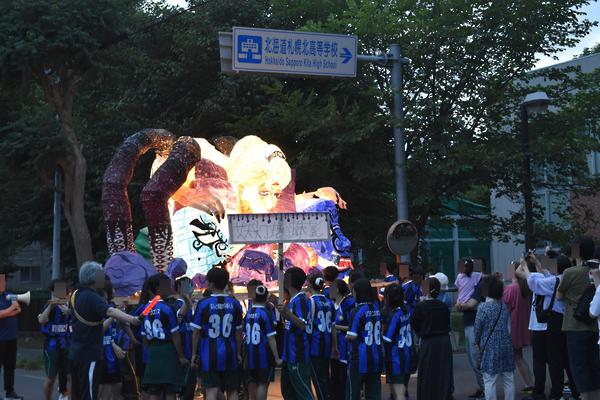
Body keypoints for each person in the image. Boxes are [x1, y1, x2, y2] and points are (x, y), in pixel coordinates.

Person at [69, 261, 141, 400]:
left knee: (78, 393)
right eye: (101, 275)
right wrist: (132, 319)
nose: (103, 278)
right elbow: (110, 311)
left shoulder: (76, 294)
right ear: (93, 277)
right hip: (89, 353)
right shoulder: (92, 296)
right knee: (89, 394)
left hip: (76, 352)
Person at [517, 254, 578, 400]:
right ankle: (575, 391)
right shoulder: (566, 278)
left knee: (554, 360)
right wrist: (537, 262)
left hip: (554, 321)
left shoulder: (553, 281)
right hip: (565, 320)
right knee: (566, 358)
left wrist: (524, 265)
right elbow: (547, 275)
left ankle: (556, 393)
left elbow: (534, 283)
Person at [556, 237, 600, 400]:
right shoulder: (597, 270)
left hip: (574, 325)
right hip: (595, 326)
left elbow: (559, 296)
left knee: (579, 368)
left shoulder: (570, 272)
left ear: (578, 251)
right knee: (594, 368)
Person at [191, 267, 243, 400]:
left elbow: (196, 332)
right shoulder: (235, 303)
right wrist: (238, 353)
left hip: (209, 353)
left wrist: (194, 353)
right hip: (230, 352)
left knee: (211, 389)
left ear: (211, 284)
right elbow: (238, 332)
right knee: (232, 390)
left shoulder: (204, 304)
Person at [140, 273, 187, 400]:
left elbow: (144, 336)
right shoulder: (167, 308)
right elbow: (175, 334)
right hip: (168, 351)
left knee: (154, 391)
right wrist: (181, 356)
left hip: (152, 352)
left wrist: (148, 352)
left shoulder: (145, 309)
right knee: (170, 391)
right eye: (167, 286)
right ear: (158, 289)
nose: (170, 288)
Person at [411, 277, 452, 400]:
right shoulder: (443, 306)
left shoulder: (420, 307)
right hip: (444, 342)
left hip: (428, 342)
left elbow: (415, 324)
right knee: (443, 373)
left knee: (427, 373)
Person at [277, 267, 314, 400]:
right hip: (288, 355)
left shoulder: (301, 300)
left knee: (303, 392)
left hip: (298, 354)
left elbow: (304, 325)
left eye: (285, 277)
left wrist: (287, 313)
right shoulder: (292, 301)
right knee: (288, 392)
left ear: (289, 280)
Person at [475, 276, 515, 400]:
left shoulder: (483, 307)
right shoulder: (503, 307)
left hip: (490, 347)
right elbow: (508, 327)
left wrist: (477, 342)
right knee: (508, 378)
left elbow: (477, 329)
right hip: (506, 345)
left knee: (489, 379)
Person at [345, 278, 383, 400]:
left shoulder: (356, 311)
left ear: (357, 292)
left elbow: (352, 336)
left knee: (353, 393)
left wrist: (345, 337)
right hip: (376, 356)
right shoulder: (376, 308)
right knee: (374, 393)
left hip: (359, 358)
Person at [244, 284, 282, 400]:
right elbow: (271, 338)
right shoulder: (266, 313)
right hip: (263, 354)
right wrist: (277, 357)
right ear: (266, 298)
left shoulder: (248, 313)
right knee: (262, 384)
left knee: (253, 381)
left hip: (250, 353)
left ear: (254, 297)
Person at [502, 262, 533, 393]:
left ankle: (529, 383)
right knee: (519, 356)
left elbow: (505, 303)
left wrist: (501, 286)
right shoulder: (526, 286)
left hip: (513, 324)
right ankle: (529, 383)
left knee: (517, 357)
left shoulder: (512, 288)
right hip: (524, 323)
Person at [38, 279, 70, 400]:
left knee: (68, 375)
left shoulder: (69, 306)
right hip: (51, 347)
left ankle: (65, 395)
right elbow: (42, 320)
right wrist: (51, 305)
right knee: (51, 379)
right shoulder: (48, 306)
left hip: (66, 345)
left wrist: (69, 311)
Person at [306, 273, 334, 400]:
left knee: (318, 379)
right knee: (325, 376)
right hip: (327, 343)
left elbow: (309, 326)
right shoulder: (329, 302)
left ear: (310, 285)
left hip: (315, 345)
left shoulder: (311, 302)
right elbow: (333, 325)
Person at [456, 278, 485, 399]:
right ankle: (482, 388)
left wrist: (461, 306)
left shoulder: (480, 283)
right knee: (473, 359)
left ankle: (485, 390)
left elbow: (473, 304)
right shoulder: (471, 282)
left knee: (476, 359)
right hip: (469, 324)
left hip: (474, 325)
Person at [383, 285, 412, 400]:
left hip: (396, 359)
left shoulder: (395, 314)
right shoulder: (406, 310)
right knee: (402, 390)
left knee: (399, 394)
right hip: (407, 354)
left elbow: (387, 339)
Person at [99, 279, 127, 400]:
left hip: (114, 353)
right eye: (113, 289)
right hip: (101, 354)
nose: (115, 291)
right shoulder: (97, 308)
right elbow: (100, 330)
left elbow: (121, 325)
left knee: (117, 386)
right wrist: (114, 315)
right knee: (102, 391)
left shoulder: (113, 306)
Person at [330, 279, 355, 400]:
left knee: (343, 378)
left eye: (331, 288)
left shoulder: (348, 304)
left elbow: (353, 327)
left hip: (344, 348)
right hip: (333, 348)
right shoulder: (330, 305)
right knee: (334, 379)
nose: (329, 290)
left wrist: (336, 327)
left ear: (337, 290)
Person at [174, 277, 196, 400]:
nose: (191, 288)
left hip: (192, 350)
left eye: (191, 285)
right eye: (187, 286)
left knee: (190, 385)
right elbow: (178, 319)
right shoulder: (175, 304)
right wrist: (187, 299)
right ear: (179, 289)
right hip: (181, 350)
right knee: (181, 385)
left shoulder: (194, 305)